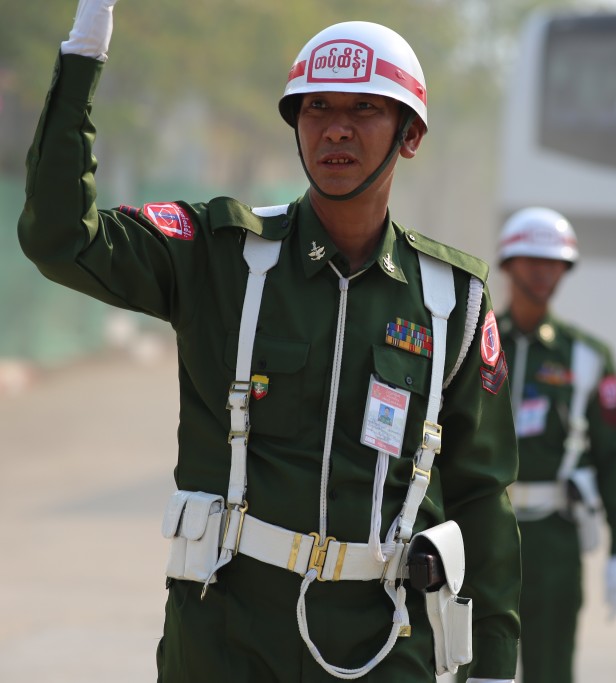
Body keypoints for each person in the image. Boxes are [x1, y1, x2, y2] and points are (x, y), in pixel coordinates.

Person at [18, 1, 521, 682]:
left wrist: (494, 664)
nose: (335, 128)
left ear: (410, 135)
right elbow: (60, 239)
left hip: (384, 641)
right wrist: (84, 55)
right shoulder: (220, 254)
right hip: (226, 635)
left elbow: (481, 493)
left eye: (365, 109)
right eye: (316, 108)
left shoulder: (451, 302)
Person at [494, 208, 616, 682]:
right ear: (509, 263)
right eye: (533, 260)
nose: (543, 271)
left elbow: (613, 457)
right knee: (474, 670)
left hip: (554, 541)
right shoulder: (474, 345)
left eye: (554, 262)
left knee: (551, 672)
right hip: (481, 532)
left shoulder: (587, 357)